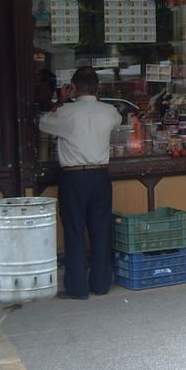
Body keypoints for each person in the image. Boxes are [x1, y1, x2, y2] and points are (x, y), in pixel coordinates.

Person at [39, 66, 122, 300]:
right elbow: (116, 121)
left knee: (75, 231)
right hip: (100, 176)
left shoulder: (66, 112)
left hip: (74, 177)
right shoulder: (109, 111)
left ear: (73, 87)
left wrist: (60, 101)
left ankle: (77, 288)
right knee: (101, 229)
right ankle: (101, 284)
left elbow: (43, 123)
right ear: (97, 87)